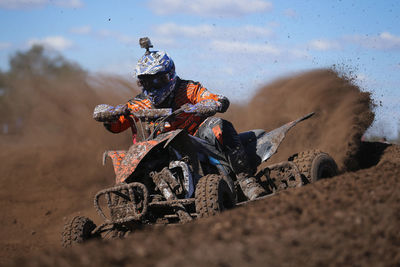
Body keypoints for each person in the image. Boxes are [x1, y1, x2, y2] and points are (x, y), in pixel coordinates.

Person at [93, 38, 265, 200]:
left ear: (170, 74)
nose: (152, 86)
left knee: (218, 125)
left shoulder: (188, 89)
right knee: (131, 159)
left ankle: (246, 180)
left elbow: (217, 99)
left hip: (197, 139)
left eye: (157, 80)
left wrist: (207, 105)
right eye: (146, 81)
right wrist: (111, 115)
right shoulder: (140, 103)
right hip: (160, 146)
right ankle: (137, 201)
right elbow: (117, 126)